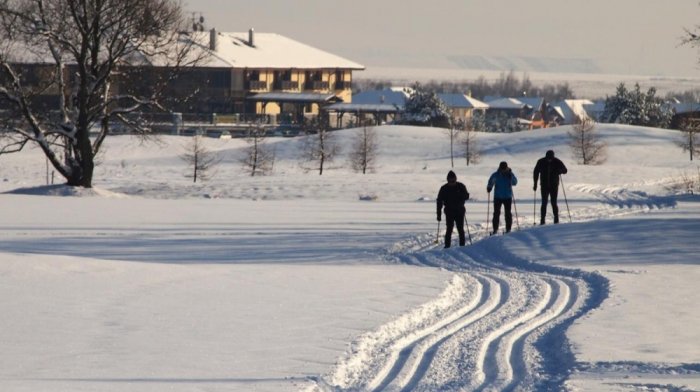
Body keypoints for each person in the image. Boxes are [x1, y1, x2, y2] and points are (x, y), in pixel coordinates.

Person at [533, 150, 568, 224]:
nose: (549, 160)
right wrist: (535, 183)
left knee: (554, 202)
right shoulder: (541, 161)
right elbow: (536, 172)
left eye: (550, 158)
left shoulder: (557, 161)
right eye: (548, 158)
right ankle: (542, 220)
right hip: (544, 185)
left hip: (554, 185)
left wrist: (560, 171)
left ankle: (556, 219)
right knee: (544, 203)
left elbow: (565, 170)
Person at [436, 170, 470, 248]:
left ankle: (462, 246)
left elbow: (467, 196)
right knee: (449, 229)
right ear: (447, 180)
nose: (452, 183)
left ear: (455, 179)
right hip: (449, 212)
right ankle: (447, 246)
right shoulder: (444, 188)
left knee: (460, 229)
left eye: (453, 181)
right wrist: (439, 214)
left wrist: (462, 195)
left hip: (459, 211)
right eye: (450, 181)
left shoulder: (461, 186)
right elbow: (439, 201)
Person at [487, 161, 518, 234]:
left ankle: (508, 229)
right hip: (498, 197)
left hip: (507, 197)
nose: (503, 170)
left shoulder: (510, 174)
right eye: (502, 168)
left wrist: (511, 175)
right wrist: (489, 187)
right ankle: (495, 229)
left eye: (504, 168)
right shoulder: (496, 175)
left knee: (508, 213)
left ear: (507, 168)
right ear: (500, 168)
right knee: (496, 213)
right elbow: (491, 182)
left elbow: (515, 183)